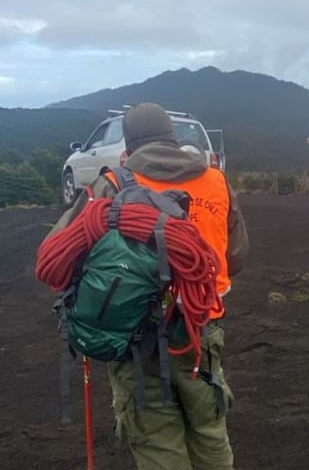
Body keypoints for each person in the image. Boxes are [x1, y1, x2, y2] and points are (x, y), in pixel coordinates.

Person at [43, 103, 249, 470]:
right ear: (173, 137)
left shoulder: (113, 183)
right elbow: (236, 257)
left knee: (156, 437)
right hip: (202, 330)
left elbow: (59, 253)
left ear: (130, 146)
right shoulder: (216, 181)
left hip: (136, 338)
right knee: (209, 428)